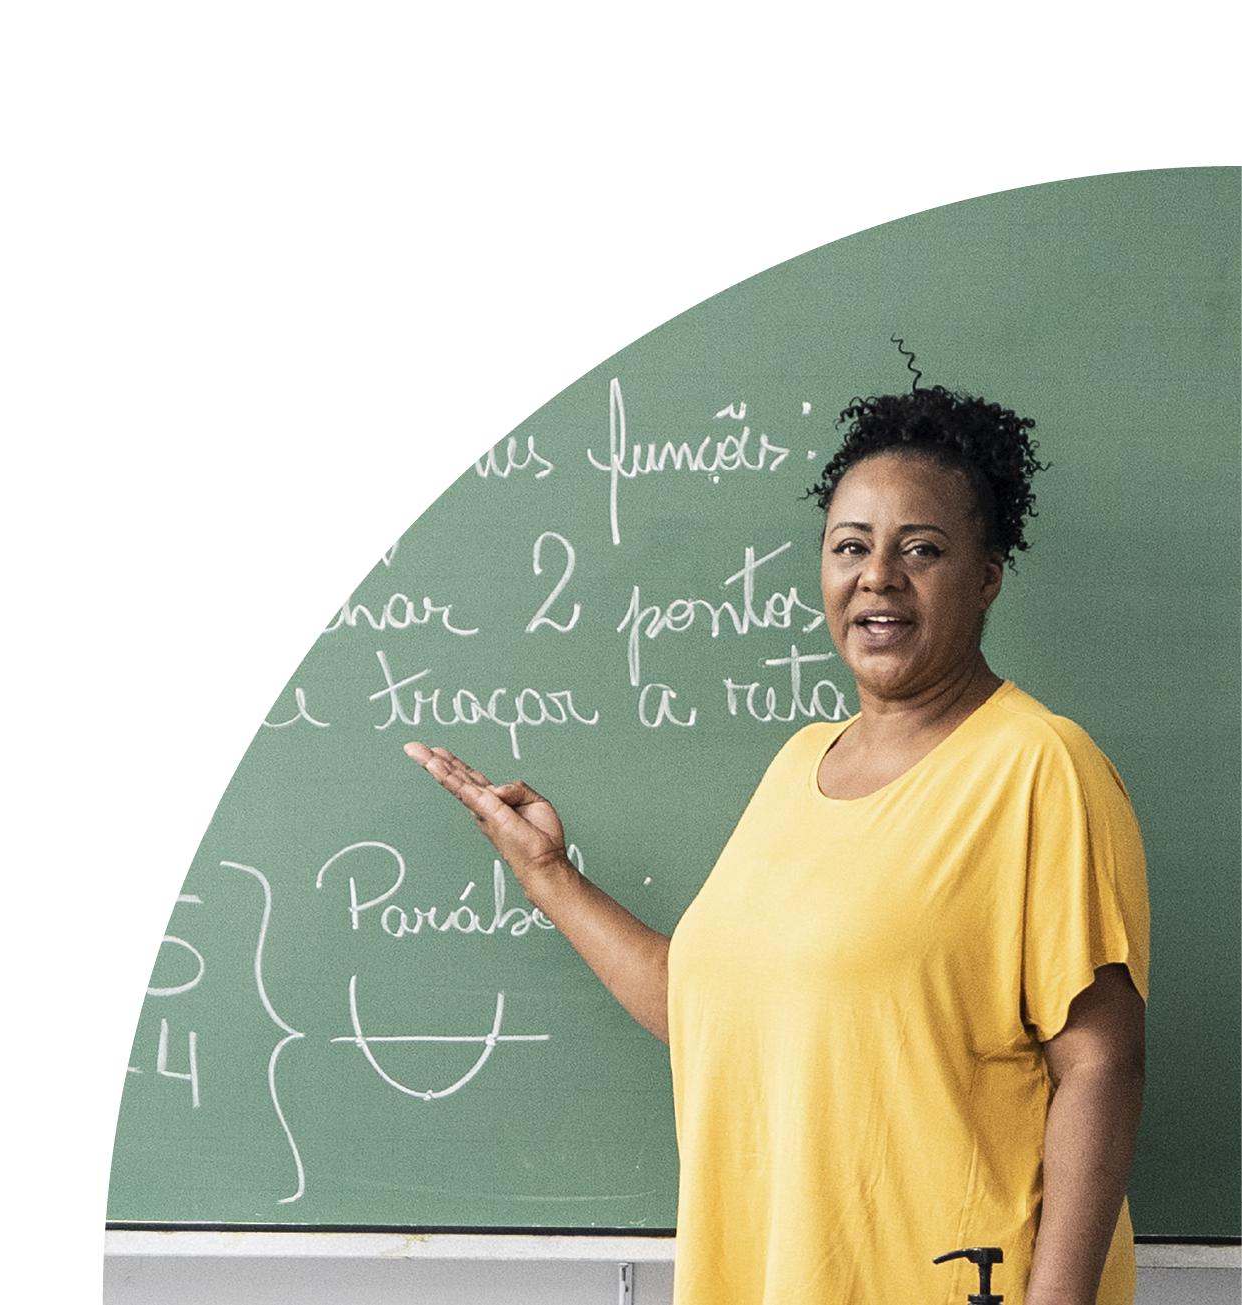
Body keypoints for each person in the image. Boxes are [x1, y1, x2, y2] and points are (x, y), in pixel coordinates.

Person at [404, 383, 1149, 1305]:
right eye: (849, 546)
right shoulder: (802, 761)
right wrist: (547, 874)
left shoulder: (1038, 766)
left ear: (987, 574)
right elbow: (715, 1009)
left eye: (921, 549)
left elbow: (1100, 1061)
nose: (878, 576)